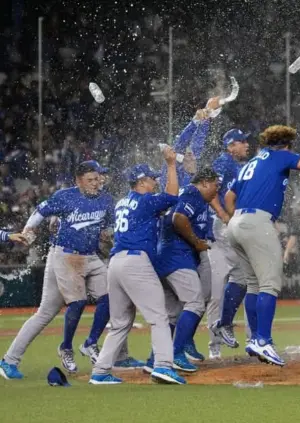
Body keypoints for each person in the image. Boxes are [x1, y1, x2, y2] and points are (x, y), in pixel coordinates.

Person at [0, 161, 114, 379]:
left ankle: (90, 343)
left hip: (90, 256)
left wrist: (107, 235)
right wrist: (28, 229)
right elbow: (41, 211)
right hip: (65, 255)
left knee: (112, 295)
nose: (95, 183)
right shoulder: (65, 196)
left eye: (97, 178)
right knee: (71, 304)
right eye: (90, 179)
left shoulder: (106, 199)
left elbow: (107, 228)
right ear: (78, 180)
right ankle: (60, 349)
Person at [222, 125, 300, 367]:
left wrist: (236, 221)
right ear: (287, 144)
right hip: (257, 222)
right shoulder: (281, 155)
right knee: (269, 283)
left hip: (236, 222)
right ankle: (263, 340)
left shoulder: (252, 162)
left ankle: (255, 338)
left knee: (253, 284)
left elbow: (228, 198)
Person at [89, 147, 185, 385]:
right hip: (135, 261)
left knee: (120, 323)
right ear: (141, 182)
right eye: (152, 178)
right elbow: (173, 195)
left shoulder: (123, 201)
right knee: (159, 316)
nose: (155, 181)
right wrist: (171, 165)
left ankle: (100, 370)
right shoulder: (144, 202)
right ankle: (163, 365)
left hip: (116, 262)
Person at [153, 168, 219, 373]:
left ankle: (154, 359)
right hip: (177, 256)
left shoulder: (194, 196)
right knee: (196, 302)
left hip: (165, 257)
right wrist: (196, 242)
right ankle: (178, 352)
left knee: (172, 313)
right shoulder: (193, 193)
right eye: (216, 185)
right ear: (205, 183)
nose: (217, 190)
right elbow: (179, 218)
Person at [207, 129, 250, 358]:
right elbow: (211, 191)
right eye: (242, 142)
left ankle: (224, 334)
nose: (247, 145)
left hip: (229, 226)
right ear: (231, 145)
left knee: (234, 282)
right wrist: (224, 215)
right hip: (220, 227)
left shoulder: (240, 165)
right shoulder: (223, 162)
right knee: (233, 282)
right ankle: (217, 341)